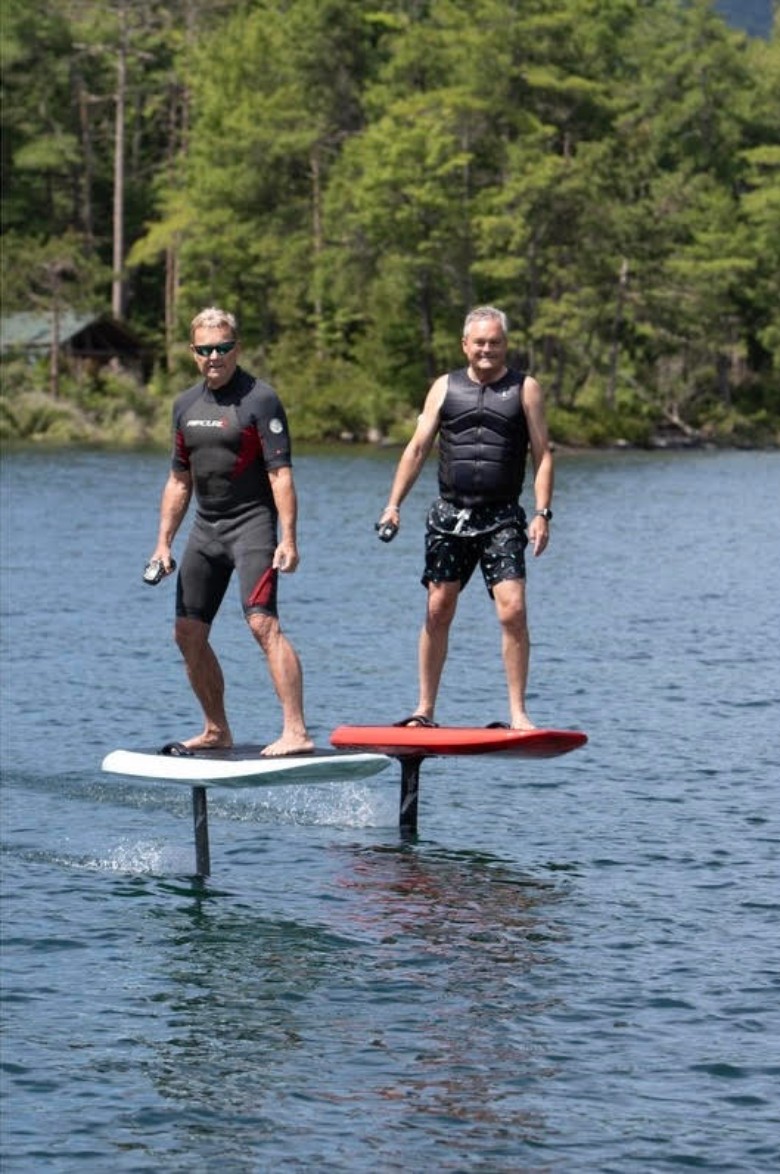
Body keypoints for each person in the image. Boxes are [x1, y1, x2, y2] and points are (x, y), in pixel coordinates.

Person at [376, 305, 554, 731]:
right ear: (465, 345)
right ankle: (425, 709)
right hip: (449, 515)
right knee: (438, 608)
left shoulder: (525, 389)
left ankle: (517, 712)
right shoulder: (444, 387)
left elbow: (543, 454)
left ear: (505, 344)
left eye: (495, 342)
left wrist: (542, 512)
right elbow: (417, 448)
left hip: (502, 518)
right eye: (479, 343)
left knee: (513, 611)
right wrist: (393, 504)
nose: (487, 350)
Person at [147, 306, 313, 757]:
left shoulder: (261, 399)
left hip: (252, 525)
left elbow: (281, 475)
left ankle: (296, 731)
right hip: (206, 528)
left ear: (236, 348)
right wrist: (163, 542)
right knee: (187, 633)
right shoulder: (185, 405)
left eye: (222, 347)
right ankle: (216, 729)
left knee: (263, 623)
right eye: (204, 349)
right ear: (193, 353)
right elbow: (180, 479)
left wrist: (289, 538)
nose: (214, 356)